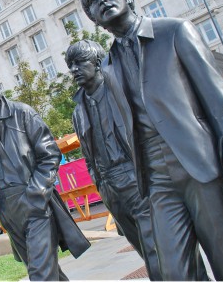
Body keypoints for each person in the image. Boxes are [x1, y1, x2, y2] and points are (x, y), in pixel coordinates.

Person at [80, 0, 223, 280]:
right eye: (93, 1)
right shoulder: (107, 67)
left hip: (200, 167)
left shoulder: (174, 31)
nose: (102, 1)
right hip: (156, 180)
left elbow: (220, 103)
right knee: (173, 271)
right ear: (93, 18)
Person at [0, 69, 90, 281]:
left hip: (33, 202)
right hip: (8, 211)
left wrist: (35, 193)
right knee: (46, 273)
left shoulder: (22, 114)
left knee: (41, 275)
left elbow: (50, 155)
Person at [66, 39, 163, 280]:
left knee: (157, 248)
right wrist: (100, 184)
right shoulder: (78, 110)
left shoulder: (122, 89)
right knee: (143, 249)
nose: (74, 70)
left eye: (79, 63)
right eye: (71, 65)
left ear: (97, 63)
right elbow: (89, 156)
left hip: (136, 177)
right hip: (110, 188)